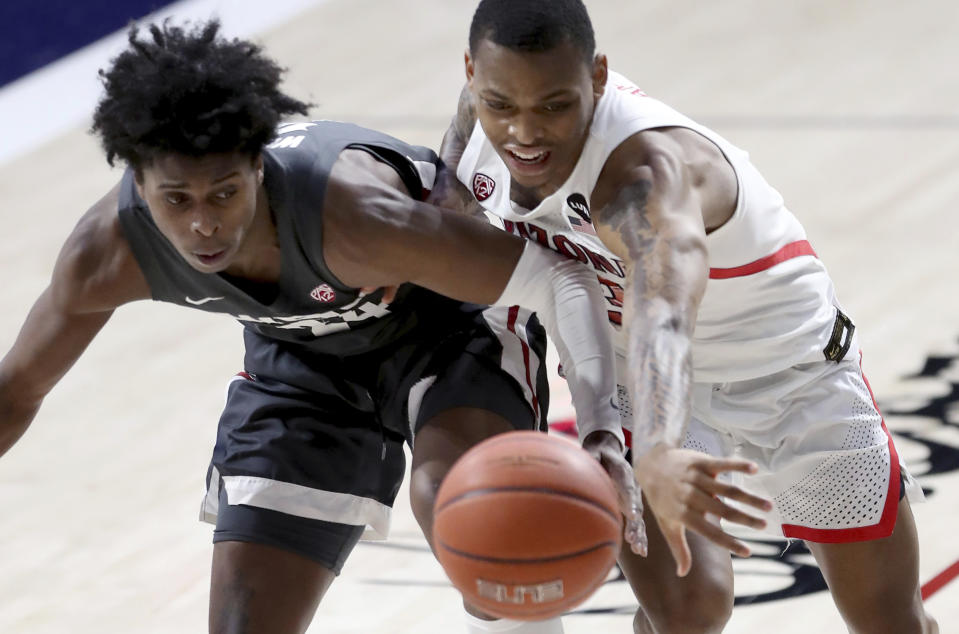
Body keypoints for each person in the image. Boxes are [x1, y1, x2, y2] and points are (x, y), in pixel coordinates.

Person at [0, 20, 636, 634]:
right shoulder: (106, 255)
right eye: (177, 200)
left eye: (224, 194)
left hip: (445, 330)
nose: (202, 225)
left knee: (470, 507)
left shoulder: (355, 218)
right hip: (301, 361)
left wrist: (602, 427)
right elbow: (16, 390)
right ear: (137, 180)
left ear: (256, 167)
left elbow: (560, 278)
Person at [433, 1, 938, 633]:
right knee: (687, 608)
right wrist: (445, 199)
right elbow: (458, 168)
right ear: (473, 74)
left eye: (555, 106)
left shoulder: (647, 174)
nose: (525, 133)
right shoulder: (483, 103)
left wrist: (663, 450)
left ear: (597, 76)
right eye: (500, 104)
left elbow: (664, 311)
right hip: (636, 376)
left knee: (889, 620)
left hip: (787, 367)